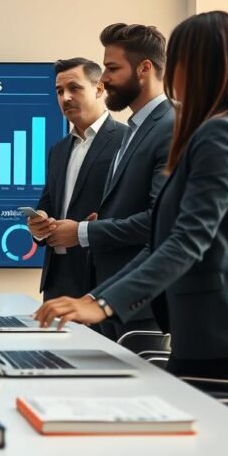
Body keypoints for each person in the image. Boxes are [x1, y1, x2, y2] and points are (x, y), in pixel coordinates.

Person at [34, 11, 228, 383]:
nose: (169, 73)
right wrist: (95, 298)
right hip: (207, 327)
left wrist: (101, 303)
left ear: (198, 66)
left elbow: (186, 239)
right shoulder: (216, 129)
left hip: (224, 328)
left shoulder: (220, 134)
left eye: (177, 62)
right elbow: (166, 234)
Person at [49, 23, 174, 340]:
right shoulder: (136, 129)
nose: (103, 78)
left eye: (112, 68)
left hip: (139, 305)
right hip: (111, 293)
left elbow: (161, 222)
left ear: (144, 68)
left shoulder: (171, 126)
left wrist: (83, 231)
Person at [27, 58, 124, 300]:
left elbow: (137, 213)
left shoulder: (127, 140)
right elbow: (47, 205)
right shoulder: (58, 150)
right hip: (56, 280)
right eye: (59, 91)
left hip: (103, 279)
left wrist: (87, 230)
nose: (65, 97)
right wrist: (38, 227)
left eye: (74, 88)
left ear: (99, 89)